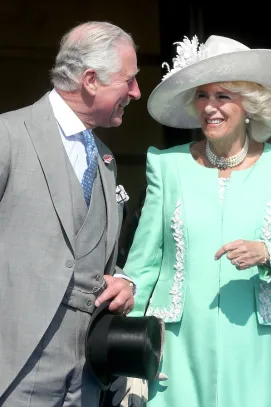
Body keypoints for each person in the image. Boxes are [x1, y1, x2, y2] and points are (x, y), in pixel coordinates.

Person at [115, 35, 271, 407]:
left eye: (223, 96)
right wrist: (130, 350)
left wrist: (267, 253)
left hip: (261, 346)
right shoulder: (167, 165)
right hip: (179, 345)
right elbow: (141, 266)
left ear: (250, 104)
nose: (210, 107)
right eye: (202, 96)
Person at [0, 21, 140, 406]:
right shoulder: (8, 136)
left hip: (89, 376)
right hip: (14, 366)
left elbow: (92, 253)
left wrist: (122, 282)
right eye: (128, 80)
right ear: (91, 80)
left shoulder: (106, 160)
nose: (136, 92)